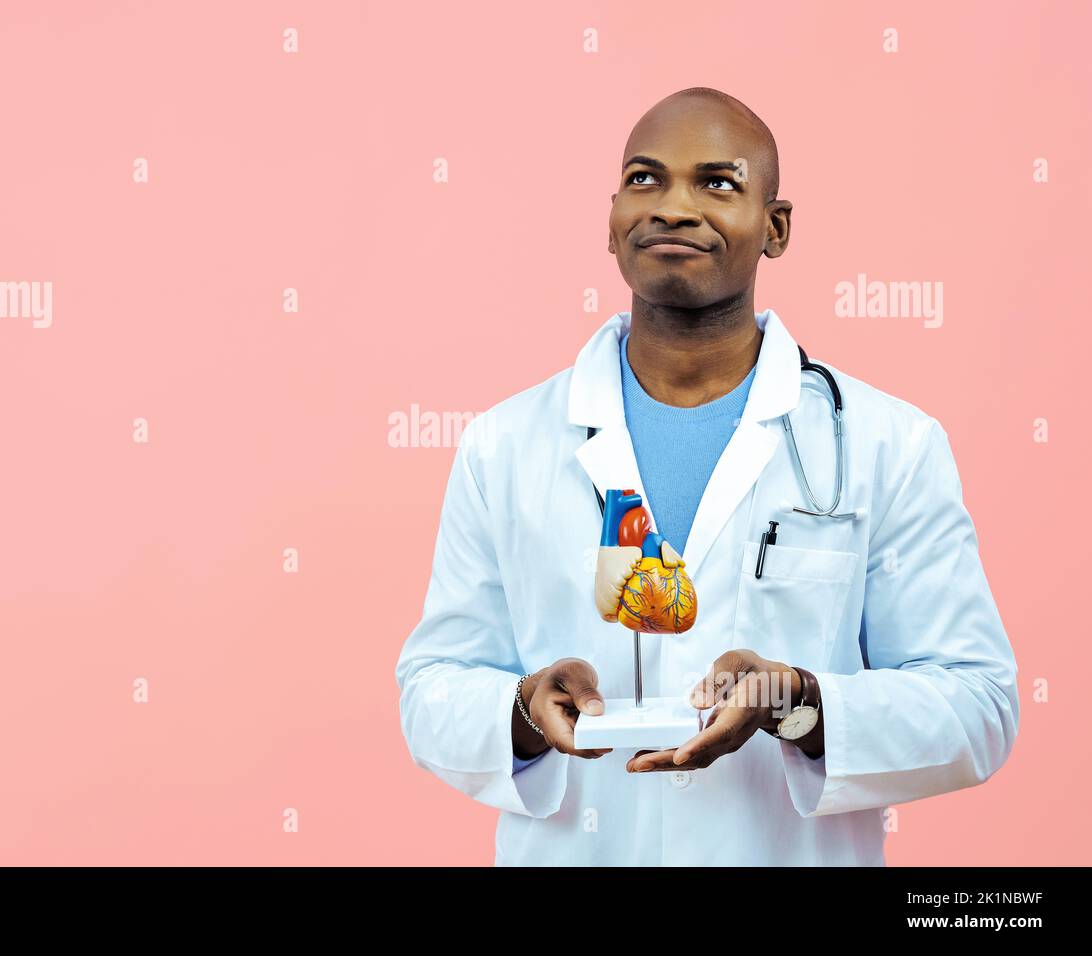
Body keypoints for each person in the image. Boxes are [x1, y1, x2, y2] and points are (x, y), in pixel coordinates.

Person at [393, 87, 1019, 866]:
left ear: (776, 227)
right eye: (645, 179)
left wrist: (796, 703)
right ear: (611, 217)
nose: (674, 208)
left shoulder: (886, 443)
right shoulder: (503, 445)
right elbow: (432, 687)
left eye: (717, 184)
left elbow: (977, 704)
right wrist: (520, 710)